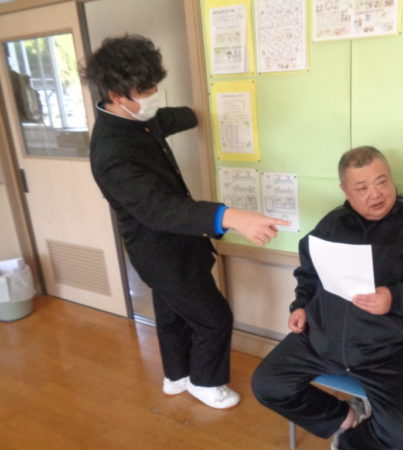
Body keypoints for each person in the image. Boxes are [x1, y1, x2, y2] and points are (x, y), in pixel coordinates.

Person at [82, 35, 289, 410]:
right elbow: (158, 208)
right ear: (114, 94)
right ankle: (206, 383)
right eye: (145, 90)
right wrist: (232, 217)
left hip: (176, 244)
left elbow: (165, 119)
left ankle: (176, 376)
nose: (153, 95)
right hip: (160, 252)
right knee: (214, 318)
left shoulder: (135, 121)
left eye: (154, 85)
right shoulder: (111, 151)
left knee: (171, 312)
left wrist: (198, 113)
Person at [252, 146, 403, 449]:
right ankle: (346, 417)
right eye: (362, 187)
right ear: (345, 190)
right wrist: (301, 306)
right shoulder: (332, 223)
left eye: (382, 181)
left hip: (390, 349)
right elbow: (309, 272)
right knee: (267, 385)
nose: (375, 194)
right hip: (322, 337)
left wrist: (396, 297)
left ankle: (350, 443)